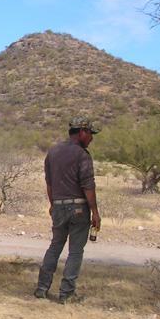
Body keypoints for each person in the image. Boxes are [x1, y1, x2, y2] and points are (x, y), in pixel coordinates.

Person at [35, 117, 101, 303]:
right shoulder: (82, 155)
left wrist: (53, 203)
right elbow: (88, 185)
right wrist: (95, 212)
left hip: (58, 206)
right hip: (78, 207)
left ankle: (41, 288)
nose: (91, 138)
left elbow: (49, 183)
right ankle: (66, 294)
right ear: (81, 132)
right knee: (75, 252)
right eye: (90, 134)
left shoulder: (53, 152)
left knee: (55, 247)